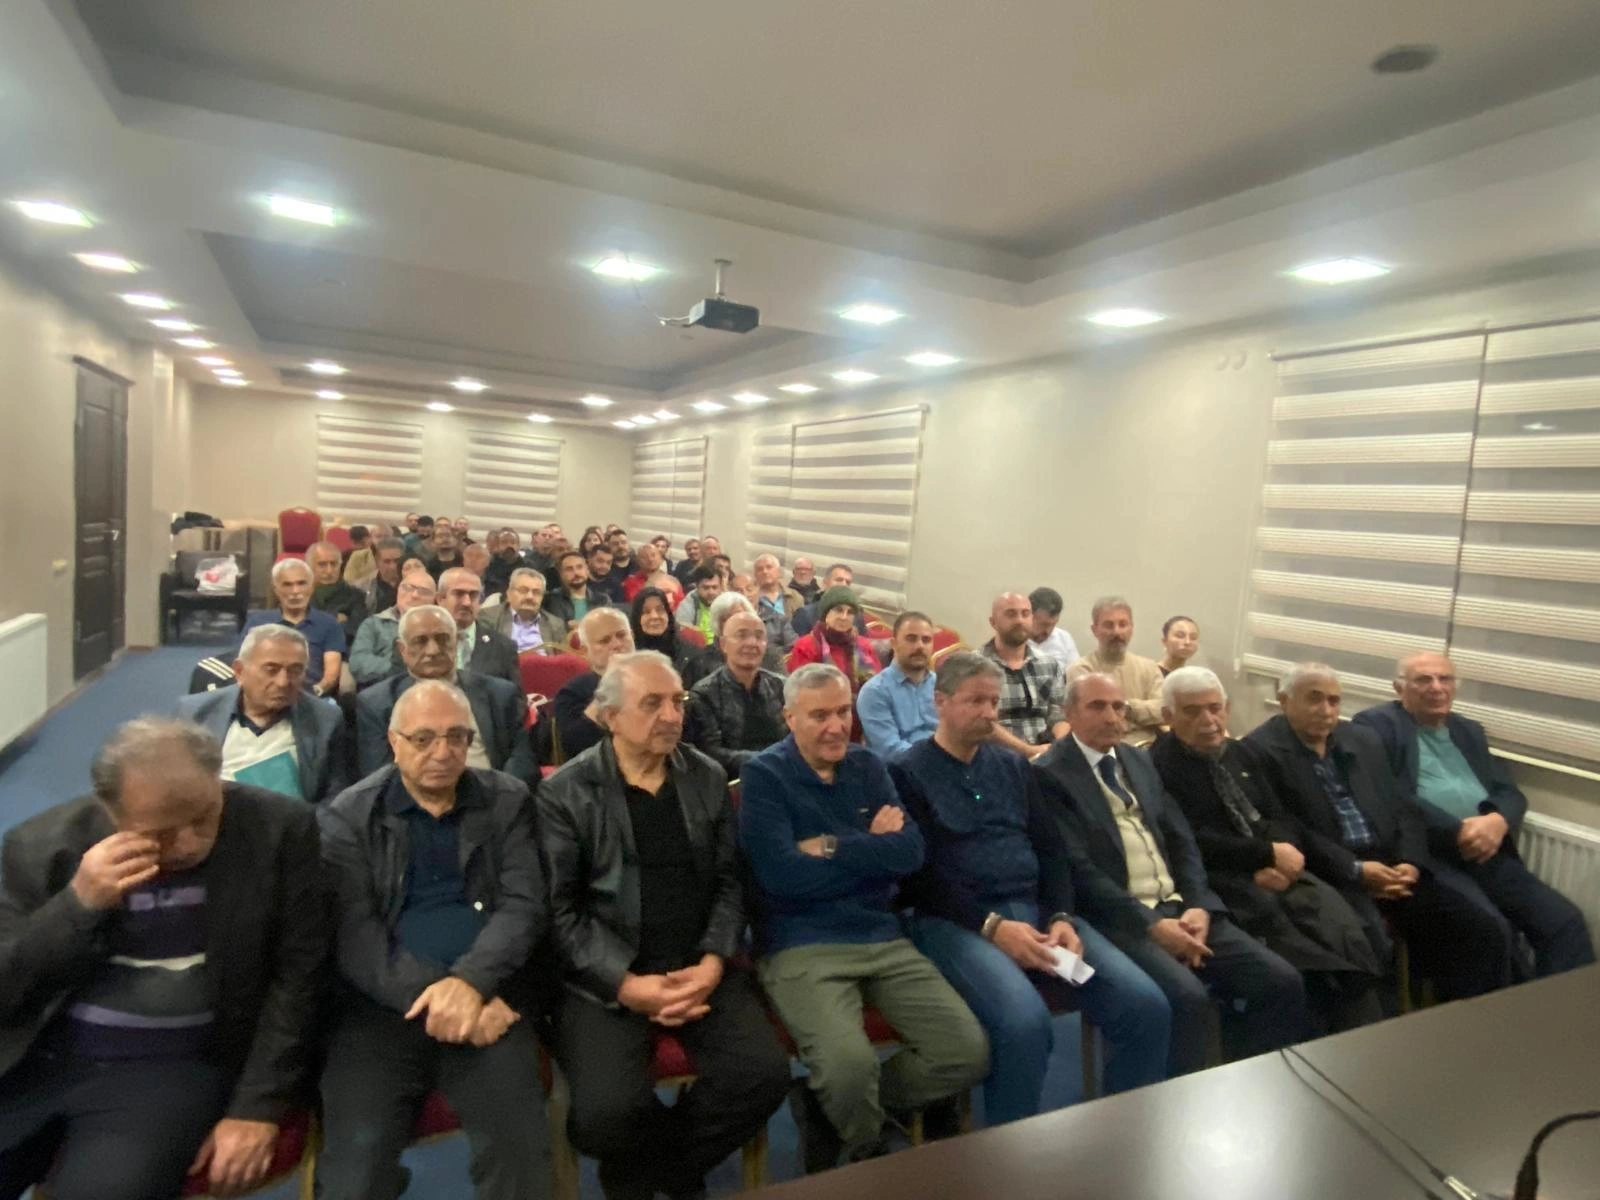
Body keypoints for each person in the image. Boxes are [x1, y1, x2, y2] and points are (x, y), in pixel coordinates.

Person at [0, 718, 324, 1200]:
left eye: (204, 817)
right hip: (38, 1054)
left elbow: (298, 977)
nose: (189, 844)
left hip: (168, 1067)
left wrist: (258, 1106)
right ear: (111, 811)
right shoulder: (41, 845)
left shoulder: (278, 830)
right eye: (162, 833)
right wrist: (76, 906)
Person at [538, 651, 790, 1200]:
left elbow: (729, 882)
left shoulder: (704, 775)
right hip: (605, 976)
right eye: (652, 704)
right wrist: (626, 984)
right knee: (605, 1113)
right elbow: (560, 914)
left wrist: (713, 961)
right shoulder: (566, 792)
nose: (672, 716)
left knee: (763, 1075)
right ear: (610, 716)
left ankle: (650, 1172)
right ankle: (666, 1169)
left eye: (678, 701)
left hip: (697, 960)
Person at [893, 653, 1171, 1124]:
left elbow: (1051, 851)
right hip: (959, 924)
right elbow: (920, 878)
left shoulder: (1015, 767)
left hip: (1037, 917)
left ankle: (1122, 1129)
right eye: (974, 701)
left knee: (1144, 1005)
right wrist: (993, 927)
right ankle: (1008, 1149)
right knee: (1024, 1023)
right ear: (940, 702)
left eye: (993, 702)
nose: (988, 712)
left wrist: (1061, 916)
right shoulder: (906, 772)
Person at [740, 664, 989, 1171]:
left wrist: (830, 847)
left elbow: (911, 853)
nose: (836, 727)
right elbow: (781, 876)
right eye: (819, 716)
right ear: (789, 718)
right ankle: (867, 1144)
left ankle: (827, 1107)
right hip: (800, 942)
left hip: (881, 935)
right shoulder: (764, 775)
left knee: (967, 1052)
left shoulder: (869, 766)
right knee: (848, 1067)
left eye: (842, 712)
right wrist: (872, 851)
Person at [317, 681, 548, 1200]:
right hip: (381, 1010)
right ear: (393, 742)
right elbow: (357, 937)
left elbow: (524, 907)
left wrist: (471, 984)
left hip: (489, 999)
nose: (442, 752)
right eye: (423, 739)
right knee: (355, 1177)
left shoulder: (507, 800)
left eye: (456, 737)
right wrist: (441, 995)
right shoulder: (349, 816)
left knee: (520, 1162)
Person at [1034, 673, 1310, 1076]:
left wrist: (1198, 905)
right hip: (1121, 918)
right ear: (1069, 713)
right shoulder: (1050, 774)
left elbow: (1183, 842)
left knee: (1280, 982)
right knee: (1188, 998)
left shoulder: (1137, 759)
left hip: (1181, 908)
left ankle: (1246, 1084)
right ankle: (1176, 1101)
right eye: (1097, 706)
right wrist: (1152, 925)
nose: (1111, 716)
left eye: (1118, 707)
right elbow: (1079, 870)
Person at [1244, 663, 1515, 1002]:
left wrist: (1410, 862)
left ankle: (1463, 1021)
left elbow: (1404, 807)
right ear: (1284, 700)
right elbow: (1291, 829)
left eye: (1334, 701)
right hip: (1331, 873)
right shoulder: (1259, 751)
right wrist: (1356, 870)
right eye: (1314, 699)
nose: (1326, 711)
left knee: (1481, 927)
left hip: (1392, 866)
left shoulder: (1361, 740)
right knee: (1368, 945)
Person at [1151, 667, 1386, 1031]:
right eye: (1192, 712)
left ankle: (1361, 1036)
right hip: (1225, 879)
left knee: (1350, 931)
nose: (1208, 721)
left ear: (1227, 709)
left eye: (1214, 708)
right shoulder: (1157, 766)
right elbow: (1189, 840)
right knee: (1305, 961)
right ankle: (1318, 1039)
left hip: (1280, 866)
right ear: (1169, 716)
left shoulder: (1241, 752)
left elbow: (1280, 813)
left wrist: (1282, 852)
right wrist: (1264, 856)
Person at [1353, 652, 1593, 978]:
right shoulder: (1377, 726)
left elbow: (1508, 792)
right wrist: (1458, 830)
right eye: (1423, 680)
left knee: (1564, 922)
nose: (1436, 687)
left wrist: (1497, 820)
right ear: (1399, 688)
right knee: (1490, 930)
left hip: (1484, 852)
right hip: (1429, 856)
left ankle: (1560, 1007)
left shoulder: (1468, 731)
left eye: (1445, 679)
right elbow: (1391, 796)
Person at [356, 606, 535, 786]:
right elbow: (380, 777)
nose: (433, 650)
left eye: (442, 639)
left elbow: (521, 761)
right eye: (420, 641)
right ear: (402, 649)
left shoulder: (499, 694)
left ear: (456, 642)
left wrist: (502, 796)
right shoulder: (376, 704)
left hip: (491, 795)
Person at [176, 625, 352, 804]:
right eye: (271, 670)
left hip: (293, 818)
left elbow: (335, 796)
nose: (283, 682)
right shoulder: (196, 713)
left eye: (295, 671)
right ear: (239, 671)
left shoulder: (325, 719)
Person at [686, 610, 786, 780]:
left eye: (759, 636)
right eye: (742, 635)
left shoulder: (781, 686)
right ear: (723, 644)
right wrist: (766, 760)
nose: (752, 643)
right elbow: (709, 751)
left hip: (783, 772)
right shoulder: (704, 694)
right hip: (732, 780)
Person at [978, 592, 1069, 760]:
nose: (1019, 620)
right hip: (997, 757)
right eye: (1011, 614)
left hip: (1047, 754)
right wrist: (1029, 751)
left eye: (1025, 614)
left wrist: (1059, 747)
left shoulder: (1049, 664)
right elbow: (983, 723)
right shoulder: (975, 667)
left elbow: (1059, 715)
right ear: (993, 622)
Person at [1066, 596, 1165, 747]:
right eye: (1108, 625)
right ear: (1095, 630)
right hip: (1102, 747)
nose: (1116, 632)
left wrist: (1128, 707)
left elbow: (1163, 711)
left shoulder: (1149, 668)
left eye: (1123, 625)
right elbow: (1091, 719)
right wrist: (1143, 714)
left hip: (1148, 748)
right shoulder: (1082, 670)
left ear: (1131, 628)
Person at [240, 558, 345, 696]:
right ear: (276, 590)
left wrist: (314, 694)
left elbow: (331, 675)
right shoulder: (258, 622)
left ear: (312, 587)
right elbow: (244, 665)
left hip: (312, 695)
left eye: (301, 583)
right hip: (264, 694)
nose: (295, 591)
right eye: (287, 585)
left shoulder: (329, 623)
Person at [553, 608, 635, 762]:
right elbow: (574, 745)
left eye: (622, 635)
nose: (617, 644)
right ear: (585, 651)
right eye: (605, 641)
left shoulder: (657, 677)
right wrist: (611, 682)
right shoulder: (572, 692)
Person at [856, 611, 938, 758]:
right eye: (911, 639)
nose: (920, 646)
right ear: (894, 644)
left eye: (926, 640)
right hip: (902, 768)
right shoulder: (874, 691)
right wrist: (939, 759)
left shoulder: (942, 685)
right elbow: (890, 750)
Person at [786, 586, 882, 691]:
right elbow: (799, 690)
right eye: (838, 610)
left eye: (850, 612)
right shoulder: (807, 646)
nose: (844, 617)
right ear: (825, 614)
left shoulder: (864, 646)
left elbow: (878, 685)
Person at [438, 567, 521, 688]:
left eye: (473, 595)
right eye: (459, 594)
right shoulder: (421, 642)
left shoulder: (503, 647)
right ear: (440, 598)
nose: (466, 602)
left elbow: (515, 696)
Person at [350, 573, 436, 687]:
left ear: (435, 599)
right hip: (383, 688)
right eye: (408, 588)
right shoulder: (373, 624)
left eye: (423, 591)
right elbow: (358, 663)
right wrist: (397, 669)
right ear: (398, 591)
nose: (414, 595)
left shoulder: (441, 627)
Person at [679, 593, 770, 689]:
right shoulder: (699, 663)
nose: (736, 622)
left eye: (741, 616)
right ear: (717, 623)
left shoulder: (767, 655)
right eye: (728, 618)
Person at [488, 567, 565, 654]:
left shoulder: (555, 624)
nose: (530, 597)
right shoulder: (490, 618)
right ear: (509, 594)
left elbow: (563, 659)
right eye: (523, 590)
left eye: (536, 592)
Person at [307, 540, 368, 641]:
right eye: (322, 565)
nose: (329, 571)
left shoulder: (356, 595)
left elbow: (355, 630)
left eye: (334, 564)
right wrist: (334, 617)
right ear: (309, 566)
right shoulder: (299, 593)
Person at [629, 586, 697, 674]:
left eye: (660, 610)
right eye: (646, 612)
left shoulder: (688, 655)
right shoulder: (628, 656)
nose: (654, 616)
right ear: (637, 618)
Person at [790, 565, 868, 637]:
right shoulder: (805, 614)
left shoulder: (856, 615)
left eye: (847, 582)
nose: (844, 585)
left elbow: (863, 642)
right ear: (825, 582)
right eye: (839, 580)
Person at [546, 550, 608, 630]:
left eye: (579, 567)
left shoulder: (602, 599)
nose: (576, 573)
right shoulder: (552, 599)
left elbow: (606, 627)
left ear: (587, 570)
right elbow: (555, 629)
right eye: (569, 569)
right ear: (561, 574)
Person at [1027, 587, 1080, 670]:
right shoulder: (1015, 640)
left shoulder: (1064, 638)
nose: (1048, 631)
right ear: (1028, 615)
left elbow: (1074, 673)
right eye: (1043, 624)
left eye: (1053, 625)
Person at [357, 537, 407, 615]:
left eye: (397, 561)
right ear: (377, 562)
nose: (393, 566)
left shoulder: (415, 585)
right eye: (387, 562)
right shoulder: (362, 588)